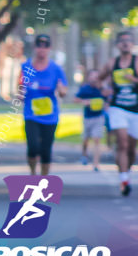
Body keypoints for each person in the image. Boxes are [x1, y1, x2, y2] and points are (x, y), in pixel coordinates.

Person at [96, 30, 138, 196]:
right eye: (122, 41)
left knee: (131, 148)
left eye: (128, 40)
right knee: (122, 143)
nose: (126, 43)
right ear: (118, 45)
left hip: (135, 110)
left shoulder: (136, 63)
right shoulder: (112, 63)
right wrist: (103, 89)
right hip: (117, 107)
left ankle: (125, 172)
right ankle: (124, 180)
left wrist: (133, 79)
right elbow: (98, 79)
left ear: (132, 43)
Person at [20, 34, 68, 175]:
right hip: (31, 114)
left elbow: (64, 90)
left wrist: (61, 90)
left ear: (49, 49)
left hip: (50, 116)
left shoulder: (56, 68)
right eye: (39, 46)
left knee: (46, 149)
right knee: (33, 147)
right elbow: (20, 86)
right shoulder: (26, 66)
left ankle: (44, 178)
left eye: (45, 46)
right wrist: (21, 93)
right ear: (34, 47)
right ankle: (33, 172)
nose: (42, 49)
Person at [75, 69, 109, 170]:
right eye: (92, 76)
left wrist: (106, 104)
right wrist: (84, 101)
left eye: (96, 76)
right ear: (89, 77)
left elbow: (108, 99)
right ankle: (84, 154)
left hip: (99, 117)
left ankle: (96, 163)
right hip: (87, 118)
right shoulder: (85, 89)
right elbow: (75, 99)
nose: (94, 78)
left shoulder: (102, 89)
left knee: (96, 139)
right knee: (86, 139)